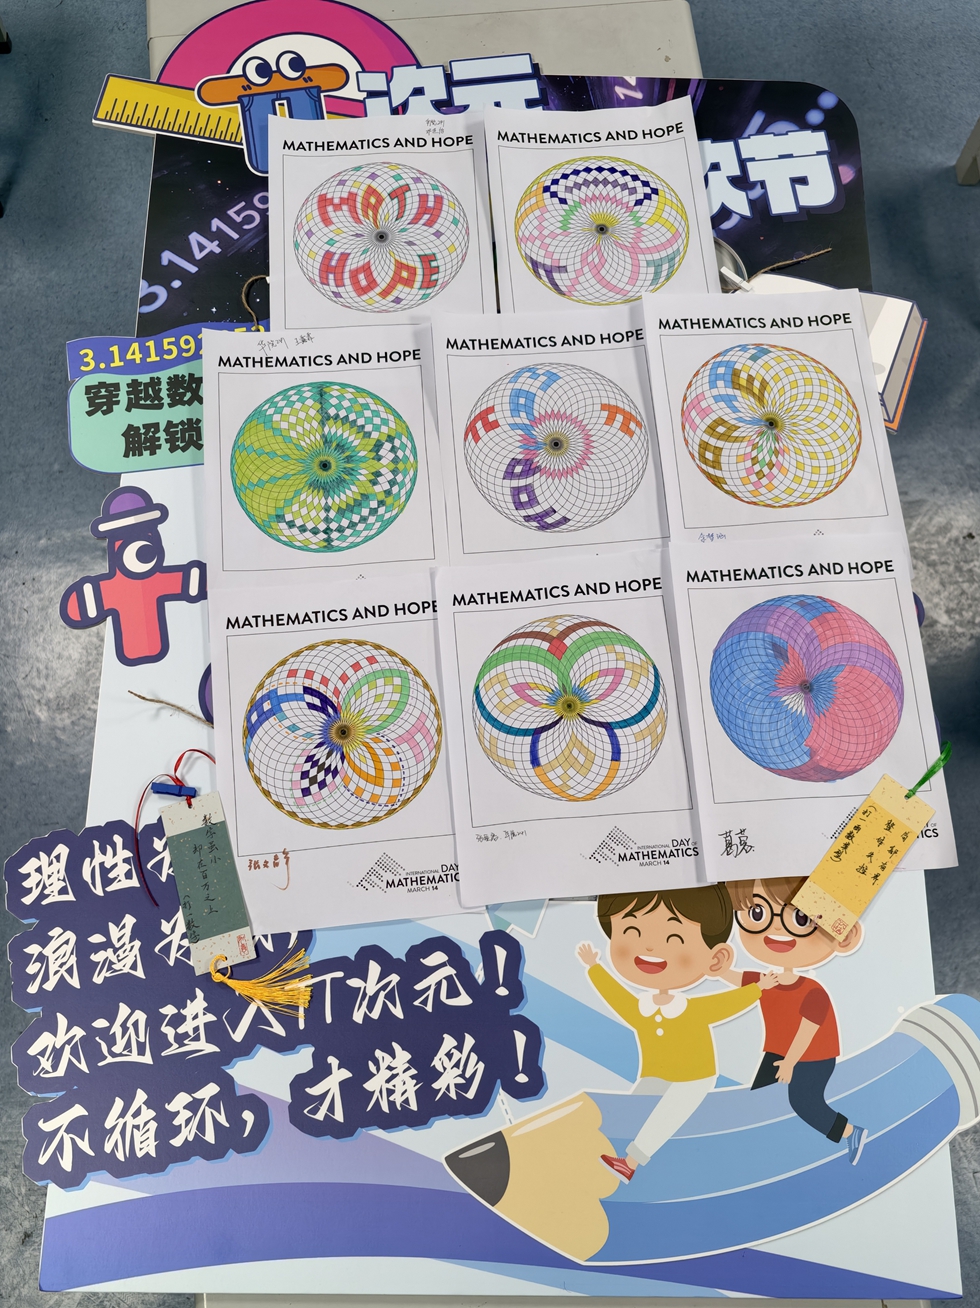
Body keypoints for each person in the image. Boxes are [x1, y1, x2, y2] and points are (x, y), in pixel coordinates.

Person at [577, 885, 775, 1183]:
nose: (650, 948)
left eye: (674, 939)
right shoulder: (641, 1009)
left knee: (668, 1113)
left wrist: (758, 988)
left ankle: (630, 1162)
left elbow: (726, 1004)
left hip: (695, 1077)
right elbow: (617, 998)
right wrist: (595, 967)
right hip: (655, 1074)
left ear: (715, 959)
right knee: (633, 1107)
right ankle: (607, 1154)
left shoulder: (691, 1009)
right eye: (631, 932)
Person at [727, 877, 867, 1165]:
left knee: (803, 1101)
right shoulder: (769, 980)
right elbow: (741, 979)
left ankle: (850, 1132)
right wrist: (717, 970)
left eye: (800, 918)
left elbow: (807, 1031)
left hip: (813, 1057)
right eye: (758, 913)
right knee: (761, 1099)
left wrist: (790, 1062)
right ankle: (765, 1151)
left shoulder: (812, 992)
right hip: (779, 1052)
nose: (777, 928)